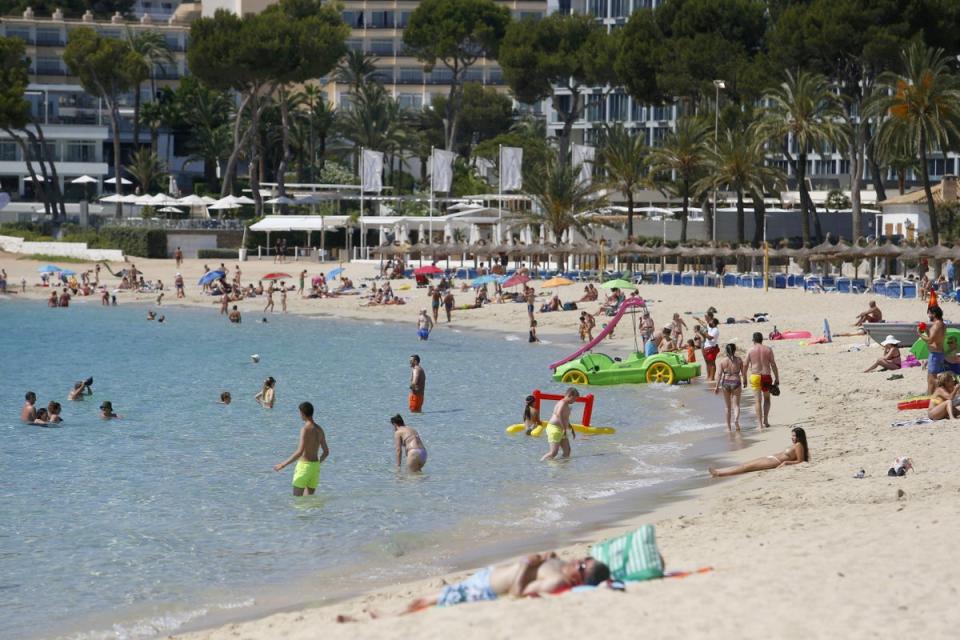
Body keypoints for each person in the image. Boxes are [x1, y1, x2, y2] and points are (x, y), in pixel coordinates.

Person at [397, 553, 610, 613]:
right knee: (439, 594)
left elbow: (517, 594)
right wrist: (548, 556)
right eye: (586, 559)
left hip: (485, 589)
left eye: (583, 567)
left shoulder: (556, 582)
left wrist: (525, 564)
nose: (580, 561)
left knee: (429, 599)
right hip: (487, 576)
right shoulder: (562, 564)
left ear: (579, 579)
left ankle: (395, 617)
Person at [273, 401, 329, 496]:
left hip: (304, 467)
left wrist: (282, 465)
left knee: (297, 502)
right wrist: (318, 463)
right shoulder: (320, 429)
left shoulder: (305, 429)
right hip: (315, 468)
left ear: (302, 413)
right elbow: (326, 452)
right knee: (309, 501)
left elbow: (299, 452)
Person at [710, 428, 808, 477]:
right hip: (771, 458)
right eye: (792, 436)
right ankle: (720, 471)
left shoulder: (799, 445)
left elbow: (800, 461)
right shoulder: (797, 445)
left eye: (794, 436)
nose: (792, 438)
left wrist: (786, 463)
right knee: (745, 464)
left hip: (775, 461)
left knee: (746, 467)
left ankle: (719, 474)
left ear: (800, 437)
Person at [743, 332, 780, 429]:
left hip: (755, 376)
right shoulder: (768, 349)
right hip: (766, 376)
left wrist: (744, 378)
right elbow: (773, 364)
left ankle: (759, 424)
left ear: (753, 340)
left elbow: (745, 364)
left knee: (757, 401)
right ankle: (766, 420)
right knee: (767, 398)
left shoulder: (750, 350)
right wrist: (777, 377)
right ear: (761, 340)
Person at [541, 387, 578, 461]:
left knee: (567, 451)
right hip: (554, 429)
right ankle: (541, 462)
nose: (575, 401)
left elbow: (565, 418)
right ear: (569, 395)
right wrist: (564, 428)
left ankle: (561, 468)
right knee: (553, 452)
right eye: (574, 399)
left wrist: (571, 428)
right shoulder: (563, 403)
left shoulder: (566, 405)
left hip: (561, 429)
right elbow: (559, 414)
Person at [714, 343, 746, 432]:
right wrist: (745, 381)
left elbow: (719, 374)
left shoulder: (722, 361)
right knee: (736, 405)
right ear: (735, 350)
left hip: (726, 382)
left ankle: (728, 427)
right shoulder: (739, 360)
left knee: (727, 407)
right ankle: (736, 420)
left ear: (726, 351)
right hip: (736, 381)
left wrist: (716, 387)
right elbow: (743, 373)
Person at [919, 305, 946, 395]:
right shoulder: (942, 324)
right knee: (935, 377)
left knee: (931, 378)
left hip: (935, 354)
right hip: (940, 353)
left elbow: (930, 340)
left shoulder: (936, 325)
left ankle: (930, 397)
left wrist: (919, 334)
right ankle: (934, 394)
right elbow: (935, 337)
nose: (928, 315)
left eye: (929, 313)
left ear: (934, 314)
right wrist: (926, 330)